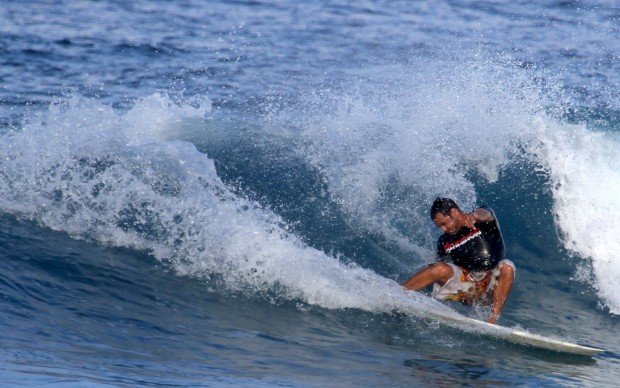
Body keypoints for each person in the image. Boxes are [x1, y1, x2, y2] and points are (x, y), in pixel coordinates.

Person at [403, 198, 515, 324]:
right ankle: (399, 295)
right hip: (467, 288)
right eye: (439, 226)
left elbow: (486, 214)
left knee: (507, 266)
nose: (443, 229)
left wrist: (474, 215)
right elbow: (441, 269)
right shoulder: (444, 241)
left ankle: (492, 320)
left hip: (490, 287)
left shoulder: (481, 221)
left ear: (455, 212)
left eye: (444, 223)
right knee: (438, 268)